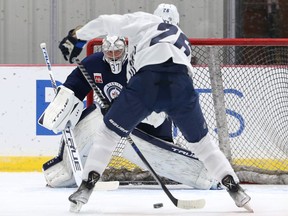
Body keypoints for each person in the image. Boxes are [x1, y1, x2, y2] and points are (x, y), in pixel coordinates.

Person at [42, 3, 252, 212]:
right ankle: (235, 189)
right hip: (181, 86)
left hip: (147, 81)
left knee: (107, 135)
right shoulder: (182, 39)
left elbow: (108, 23)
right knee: (203, 145)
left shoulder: (145, 22)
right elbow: (164, 106)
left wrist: (77, 37)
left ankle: (86, 187)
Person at [42, 34, 218, 190]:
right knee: (92, 121)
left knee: (162, 159)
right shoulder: (93, 64)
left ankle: (208, 174)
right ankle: (67, 171)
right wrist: (63, 102)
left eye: (117, 52)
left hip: (152, 120)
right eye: (109, 52)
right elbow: (74, 87)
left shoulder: (140, 64)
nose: (113, 56)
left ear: (125, 49)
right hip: (118, 121)